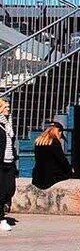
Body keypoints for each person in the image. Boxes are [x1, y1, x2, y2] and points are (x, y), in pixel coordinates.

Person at [32, 121, 73, 190]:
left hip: (38, 177)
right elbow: (62, 160)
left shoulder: (38, 142)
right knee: (70, 173)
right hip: (50, 178)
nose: (60, 137)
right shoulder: (54, 142)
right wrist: (70, 170)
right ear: (59, 132)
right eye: (61, 135)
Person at [0, 99, 17, 231]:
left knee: (10, 189)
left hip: (9, 162)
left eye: (9, 107)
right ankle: (1, 219)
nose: (8, 109)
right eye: (5, 107)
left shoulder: (8, 125)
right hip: (1, 163)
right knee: (1, 192)